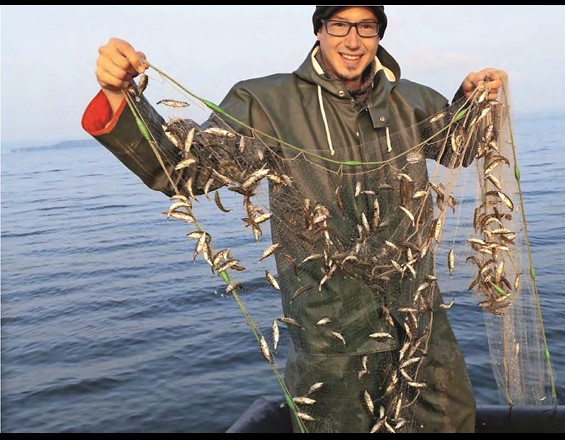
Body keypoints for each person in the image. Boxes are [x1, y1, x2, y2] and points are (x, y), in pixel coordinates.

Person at [83, 5, 502, 433]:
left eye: (366, 26)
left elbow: (459, 146)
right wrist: (120, 95)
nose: (352, 40)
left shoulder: (411, 99)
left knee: (449, 418)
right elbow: (184, 168)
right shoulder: (267, 103)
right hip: (330, 334)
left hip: (419, 320)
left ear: (379, 34)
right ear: (319, 30)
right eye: (339, 25)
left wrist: (472, 100)